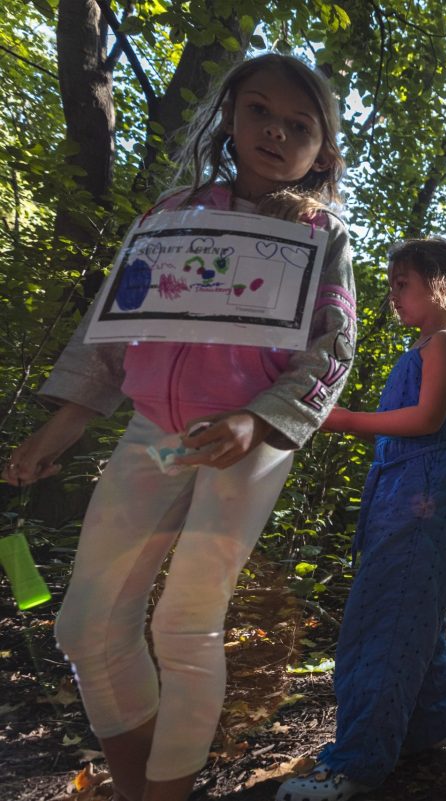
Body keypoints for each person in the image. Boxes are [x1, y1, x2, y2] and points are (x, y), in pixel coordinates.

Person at [3, 53, 355, 801]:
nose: (275, 131)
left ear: (321, 149)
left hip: (246, 446)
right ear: (229, 117)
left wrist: (258, 421)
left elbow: (333, 349)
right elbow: (108, 340)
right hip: (153, 434)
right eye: (260, 111)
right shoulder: (167, 216)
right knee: (86, 625)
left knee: (185, 622)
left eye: (299, 124)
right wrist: (51, 436)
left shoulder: (321, 235)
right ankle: (141, 789)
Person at [276, 238, 446, 801]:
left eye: (402, 285)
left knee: (384, 621)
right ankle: (433, 723)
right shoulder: (426, 344)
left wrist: (340, 418)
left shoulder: (443, 342)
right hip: (406, 492)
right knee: (413, 611)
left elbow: (426, 418)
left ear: (441, 287)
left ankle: (358, 765)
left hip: (425, 495)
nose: (392, 296)